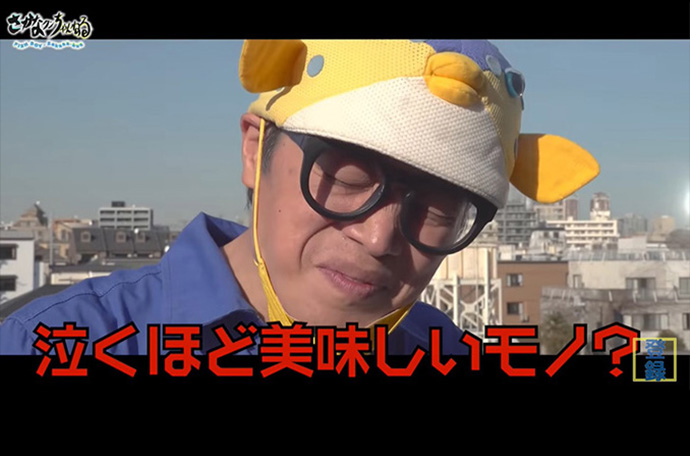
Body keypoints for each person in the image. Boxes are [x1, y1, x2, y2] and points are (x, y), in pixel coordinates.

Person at [0, 39, 599, 356]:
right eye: (349, 174)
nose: (379, 237)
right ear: (254, 149)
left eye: (440, 207)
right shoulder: (62, 342)